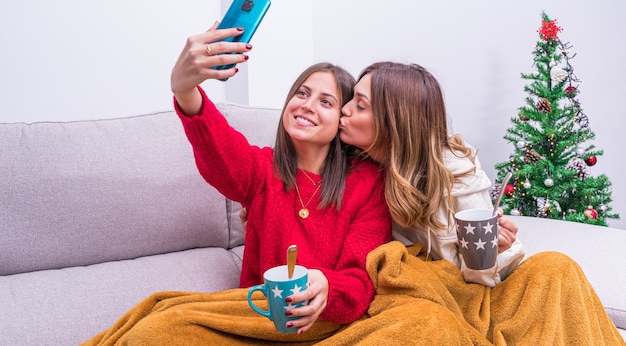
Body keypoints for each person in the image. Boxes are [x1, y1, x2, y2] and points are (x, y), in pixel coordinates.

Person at [79, 24, 392, 346]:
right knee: (154, 330)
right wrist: (186, 90)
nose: (308, 105)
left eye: (326, 102)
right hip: (259, 322)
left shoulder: (367, 183)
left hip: (331, 326)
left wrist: (327, 287)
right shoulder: (260, 169)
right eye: (302, 93)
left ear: (341, 118)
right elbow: (219, 149)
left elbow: (359, 281)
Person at [328, 61, 624, 345]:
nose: (345, 108)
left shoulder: (455, 171)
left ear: (394, 122)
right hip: (418, 302)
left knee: (557, 268)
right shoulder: (348, 168)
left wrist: (493, 249)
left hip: (473, 293)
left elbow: (477, 274)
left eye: (360, 104)